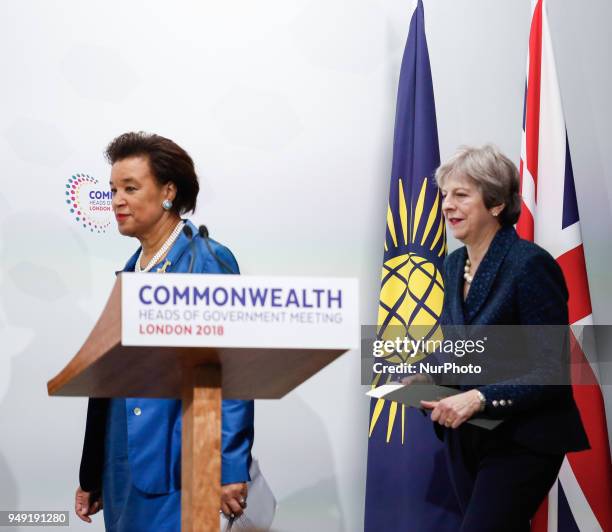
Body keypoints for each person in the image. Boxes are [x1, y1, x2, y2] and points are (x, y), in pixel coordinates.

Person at [73, 132, 254, 530]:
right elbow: (107, 383)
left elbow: (232, 371)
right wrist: (93, 473)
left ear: (168, 191)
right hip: (122, 474)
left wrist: (230, 466)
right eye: (113, 189)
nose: (117, 200)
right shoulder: (131, 268)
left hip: (181, 473)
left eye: (131, 188)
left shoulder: (207, 260)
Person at [417, 145, 589, 531]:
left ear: (495, 204)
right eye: (445, 195)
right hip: (467, 436)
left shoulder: (529, 265)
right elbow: (461, 346)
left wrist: (479, 397)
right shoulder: (453, 263)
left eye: (461, 195)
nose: (447, 206)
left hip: (523, 437)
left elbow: (552, 368)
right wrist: (422, 377)